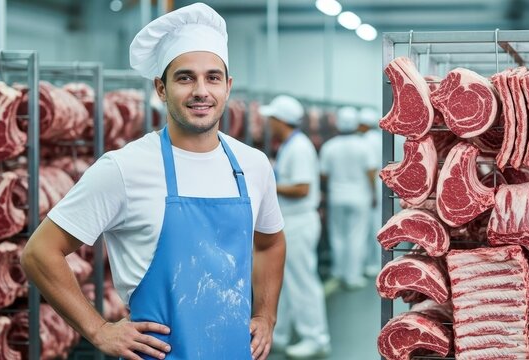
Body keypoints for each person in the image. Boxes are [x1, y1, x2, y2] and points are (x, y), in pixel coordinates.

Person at [20, 3, 286, 360]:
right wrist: (98, 330)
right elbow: (40, 252)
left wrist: (266, 316)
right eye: (185, 77)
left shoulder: (253, 165)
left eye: (213, 77)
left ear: (228, 86)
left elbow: (270, 243)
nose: (201, 91)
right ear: (160, 88)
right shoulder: (123, 168)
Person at [261, 95, 331, 358]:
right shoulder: (291, 145)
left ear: (280, 120)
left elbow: (302, 188)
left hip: (299, 221)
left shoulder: (299, 147)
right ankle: (280, 333)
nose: (267, 122)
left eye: (271, 118)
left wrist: (267, 185)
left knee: (302, 280)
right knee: (287, 280)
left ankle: (316, 337)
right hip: (291, 220)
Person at [319, 106, 377, 290]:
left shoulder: (330, 146)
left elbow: (323, 174)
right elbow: (371, 173)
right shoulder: (364, 146)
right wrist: (374, 193)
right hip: (360, 196)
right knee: (356, 236)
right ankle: (352, 276)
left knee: (337, 235)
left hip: (336, 196)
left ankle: (338, 272)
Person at [357, 107, 383, 277]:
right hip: (381, 184)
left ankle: (371, 263)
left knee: (370, 228)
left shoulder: (365, 141)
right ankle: (377, 261)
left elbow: (370, 169)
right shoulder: (380, 138)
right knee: (379, 225)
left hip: (371, 186)